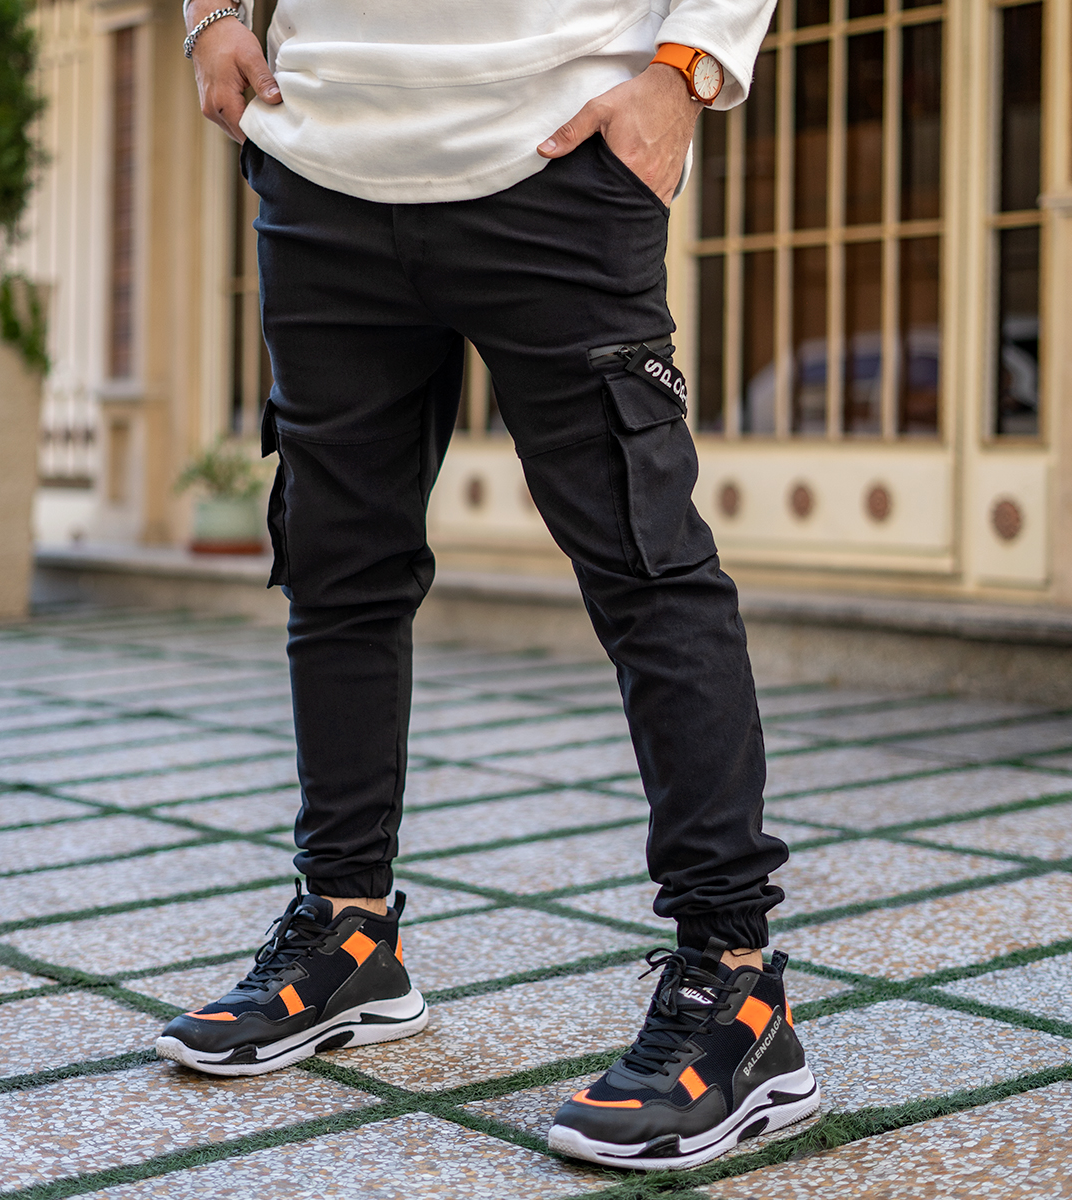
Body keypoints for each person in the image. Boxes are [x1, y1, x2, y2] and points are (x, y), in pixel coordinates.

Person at [156, 0, 820, 1171]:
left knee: (647, 571)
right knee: (338, 571)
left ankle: (737, 985)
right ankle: (347, 932)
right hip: (322, 162)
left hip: (555, 153)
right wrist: (209, 15)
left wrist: (687, 69)